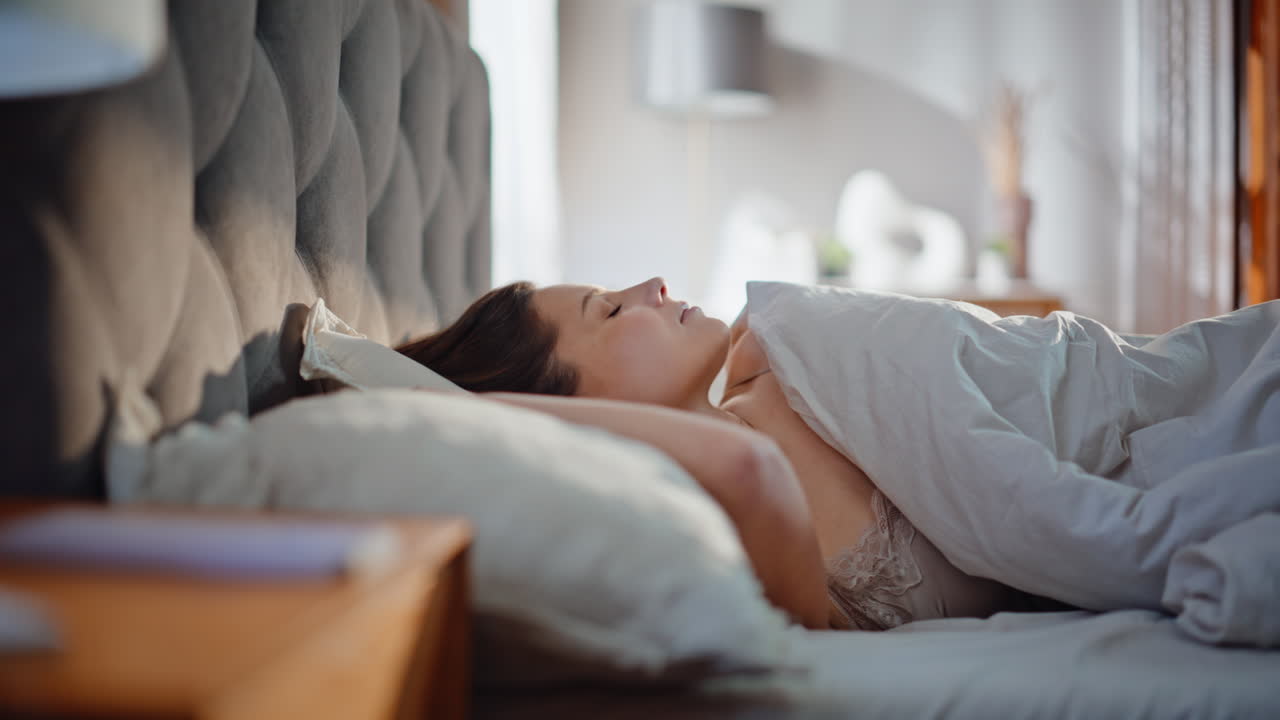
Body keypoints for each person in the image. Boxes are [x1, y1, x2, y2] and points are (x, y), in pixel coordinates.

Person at [397, 277, 1025, 630]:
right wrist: (487, 412)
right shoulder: (715, 531)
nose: (652, 285)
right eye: (611, 309)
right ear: (569, 405)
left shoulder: (782, 363)